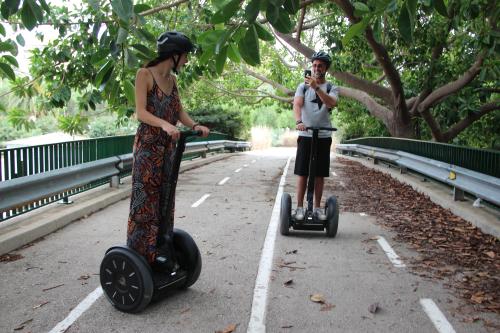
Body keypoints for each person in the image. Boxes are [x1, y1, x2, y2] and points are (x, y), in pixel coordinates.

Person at [127, 31, 209, 269]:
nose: (186, 60)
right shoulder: (144, 74)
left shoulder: (173, 81)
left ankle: (160, 248)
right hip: (148, 148)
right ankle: (141, 252)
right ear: (174, 55)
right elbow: (141, 112)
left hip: (168, 147)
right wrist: (164, 124)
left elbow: (179, 111)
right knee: (145, 200)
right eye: (184, 56)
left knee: (166, 196)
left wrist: (194, 125)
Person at [293, 51, 338, 221]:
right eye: (314, 65)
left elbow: (331, 103)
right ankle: (299, 207)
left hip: (324, 135)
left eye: (320, 66)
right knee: (303, 172)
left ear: (326, 68)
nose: (316, 68)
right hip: (306, 134)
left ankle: (317, 208)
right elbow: (297, 104)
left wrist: (316, 87)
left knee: (319, 173)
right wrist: (299, 121)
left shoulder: (331, 87)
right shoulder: (302, 86)